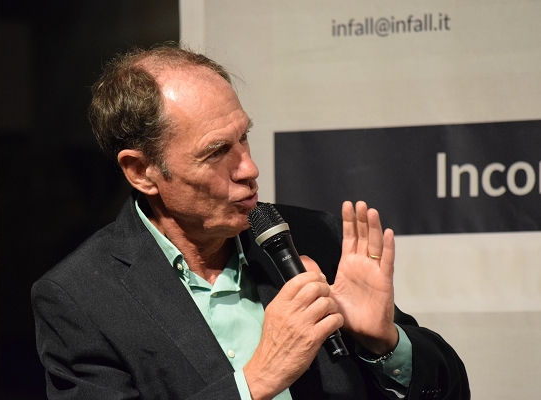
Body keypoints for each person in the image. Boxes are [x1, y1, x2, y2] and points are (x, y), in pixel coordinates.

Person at [32, 44, 469, 399]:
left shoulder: (314, 237)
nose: (249, 168)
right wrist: (257, 380)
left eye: (244, 137)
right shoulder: (79, 296)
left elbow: (451, 388)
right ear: (142, 171)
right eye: (217, 151)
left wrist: (385, 343)